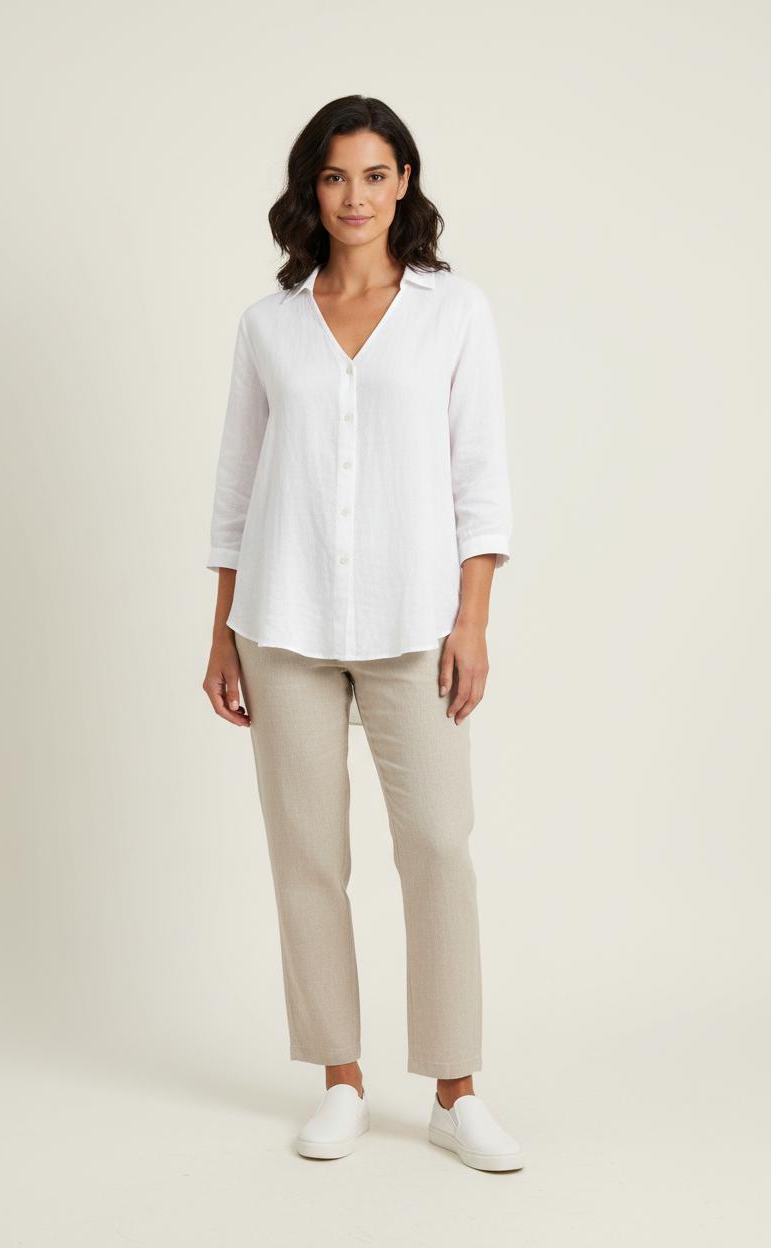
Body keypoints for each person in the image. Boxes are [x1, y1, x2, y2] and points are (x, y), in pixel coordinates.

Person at [203, 94, 523, 1171]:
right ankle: (340, 1078)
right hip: (282, 621)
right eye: (336, 176)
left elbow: (481, 478)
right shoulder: (269, 324)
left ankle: (454, 1091)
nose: (355, 196)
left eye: (375, 174)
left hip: (413, 620)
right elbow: (236, 490)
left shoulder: (452, 311)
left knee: (437, 847)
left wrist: (472, 621)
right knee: (306, 856)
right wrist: (221, 633)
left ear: (404, 184)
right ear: (313, 187)